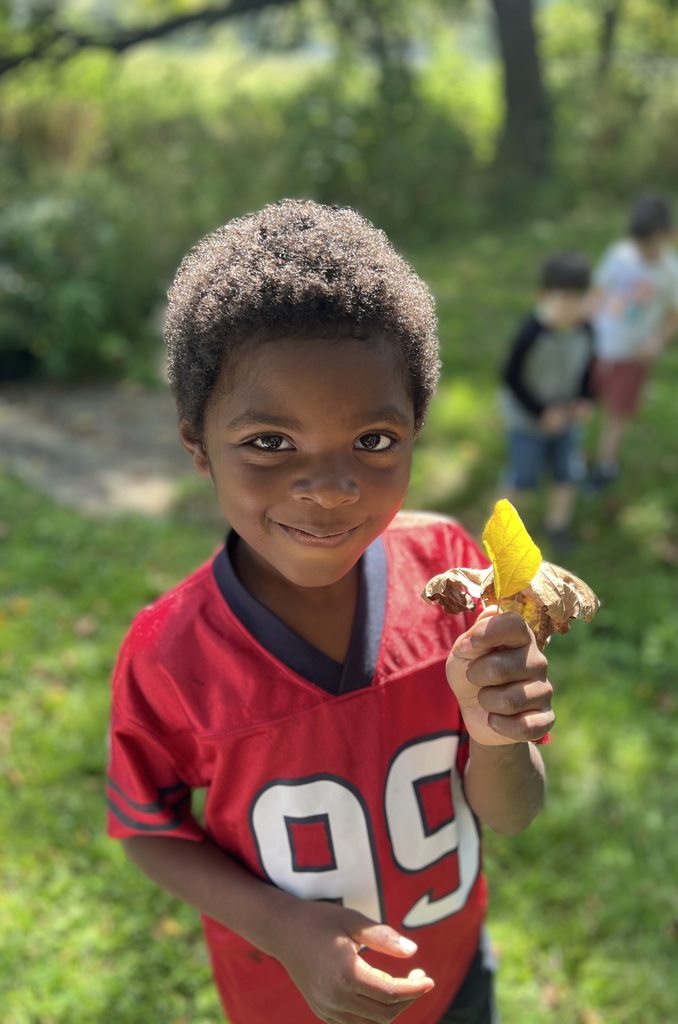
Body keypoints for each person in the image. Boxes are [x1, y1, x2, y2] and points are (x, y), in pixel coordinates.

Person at [106, 199, 555, 1024]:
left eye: (374, 440)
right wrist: (281, 925)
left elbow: (514, 813)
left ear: (416, 429)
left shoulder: (456, 577)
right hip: (285, 1001)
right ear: (197, 445)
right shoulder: (169, 656)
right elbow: (146, 827)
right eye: (271, 442)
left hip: (453, 981)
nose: (330, 486)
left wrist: (498, 735)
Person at [589, 192, 678, 489]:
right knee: (585, 400)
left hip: (633, 355)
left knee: (617, 411)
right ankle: (571, 456)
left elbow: (676, 315)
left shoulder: (674, 272)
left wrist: (658, 341)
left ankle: (605, 463)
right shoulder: (619, 255)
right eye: (640, 244)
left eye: (651, 244)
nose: (644, 251)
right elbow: (598, 292)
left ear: (671, 235)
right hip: (599, 344)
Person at [499, 251, 594, 552]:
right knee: (522, 475)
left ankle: (557, 524)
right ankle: (503, 532)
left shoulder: (586, 330)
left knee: (566, 472)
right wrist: (540, 411)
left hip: (566, 418)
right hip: (527, 421)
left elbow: (588, 369)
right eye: (564, 299)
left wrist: (585, 398)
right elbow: (510, 378)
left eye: (579, 299)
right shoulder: (531, 333)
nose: (571, 307)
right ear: (544, 296)